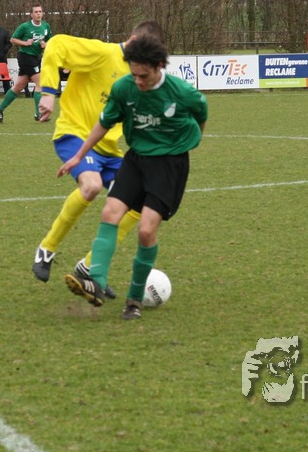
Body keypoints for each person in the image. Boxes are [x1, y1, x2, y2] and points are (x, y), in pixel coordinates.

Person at [58, 31, 208, 320]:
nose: (138, 81)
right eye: (134, 74)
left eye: (144, 76)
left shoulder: (181, 92)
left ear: (159, 66)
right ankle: (96, 283)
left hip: (170, 165)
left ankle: (134, 300)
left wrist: (189, 142)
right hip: (136, 160)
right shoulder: (124, 88)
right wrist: (78, 156)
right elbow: (103, 123)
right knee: (110, 211)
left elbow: (201, 113)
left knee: (146, 230)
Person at [32, 25, 168, 296]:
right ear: (132, 40)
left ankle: (89, 266)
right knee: (92, 186)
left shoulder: (140, 76)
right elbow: (56, 44)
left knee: (139, 205)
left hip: (110, 149)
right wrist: (48, 92)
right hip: (75, 134)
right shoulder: (103, 53)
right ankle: (47, 248)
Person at [0, 4, 50, 123]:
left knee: (19, 86)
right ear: (31, 14)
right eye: (36, 12)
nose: (38, 14)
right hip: (25, 57)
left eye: (40, 11)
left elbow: (49, 40)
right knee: (40, 83)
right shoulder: (25, 26)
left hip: (36, 57)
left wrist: (45, 45)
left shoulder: (45, 26)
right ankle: (38, 114)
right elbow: (12, 39)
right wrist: (25, 43)